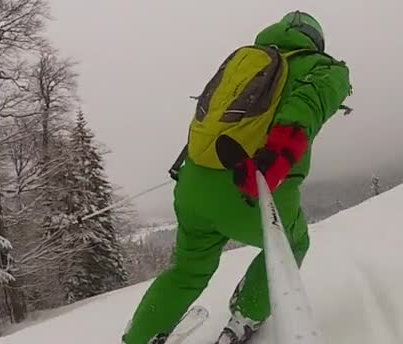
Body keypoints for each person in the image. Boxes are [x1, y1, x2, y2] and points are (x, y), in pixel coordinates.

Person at [122, 10, 352, 344]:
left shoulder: (245, 62)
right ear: (316, 42)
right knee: (294, 243)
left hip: (193, 186)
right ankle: (246, 315)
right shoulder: (324, 68)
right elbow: (304, 109)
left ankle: (138, 337)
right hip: (251, 187)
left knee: (188, 269)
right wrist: (271, 165)